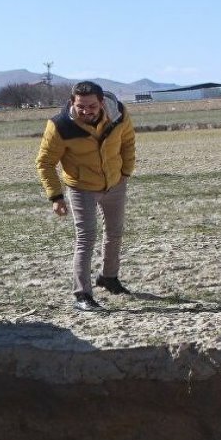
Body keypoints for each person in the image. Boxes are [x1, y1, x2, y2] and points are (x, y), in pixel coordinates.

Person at [35, 80, 136, 311]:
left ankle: (109, 278)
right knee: (86, 238)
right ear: (73, 102)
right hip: (81, 187)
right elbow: (45, 162)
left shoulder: (118, 114)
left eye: (91, 106)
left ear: (102, 102)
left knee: (115, 232)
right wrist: (56, 197)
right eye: (80, 106)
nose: (85, 111)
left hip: (115, 183)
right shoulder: (60, 125)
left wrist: (125, 172)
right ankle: (82, 295)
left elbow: (128, 142)